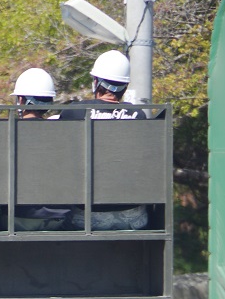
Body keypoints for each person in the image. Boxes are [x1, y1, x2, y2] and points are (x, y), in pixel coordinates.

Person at [57, 50, 150, 229]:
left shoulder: (74, 112)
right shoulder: (138, 116)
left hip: (87, 216)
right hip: (133, 217)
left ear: (96, 82)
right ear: (125, 86)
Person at [10, 68, 72, 230]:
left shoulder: (9, 132)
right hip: (59, 217)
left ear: (21, 100)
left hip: (18, 217)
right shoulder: (65, 133)